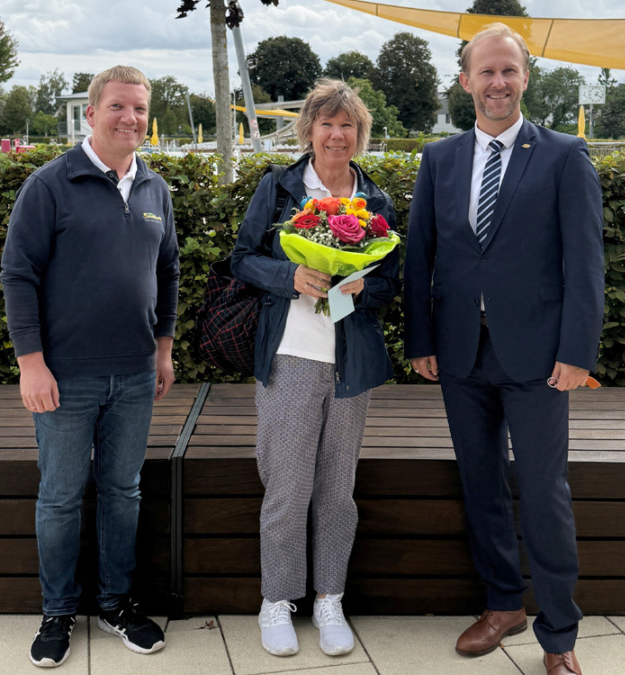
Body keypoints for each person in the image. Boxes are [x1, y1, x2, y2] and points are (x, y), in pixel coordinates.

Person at [403, 24, 605, 675]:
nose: (498, 83)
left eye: (508, 71)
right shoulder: (439, 158)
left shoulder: (564, 155)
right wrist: (420, 338)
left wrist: (578, 351)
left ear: (525, 77)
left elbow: (585, 264)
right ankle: (501, 604)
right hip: (460, 352)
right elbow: (420, 256)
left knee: (544, 492)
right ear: (465, 81)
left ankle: (559, 637)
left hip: (540, 358)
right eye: (486, 72)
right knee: (480, 483)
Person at [0, 65, 179, 668]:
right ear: (93, 112)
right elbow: (18, 275)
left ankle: (115, 604)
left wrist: (163, 350)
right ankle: (57, 610)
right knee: (60, 496)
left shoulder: (155, 189)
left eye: (140, 108)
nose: (130, 118)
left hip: (135, 374)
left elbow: (167, 273)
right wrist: (31, 364)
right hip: (65, 376)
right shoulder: (50, 184)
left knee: (123, 492)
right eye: (118, 106)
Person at [230, 78, 400, 659]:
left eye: (347, 124)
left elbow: (391, 283)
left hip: (348, 363)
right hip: (291, 356)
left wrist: (364, 287)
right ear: (309, 129)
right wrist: (290, 276)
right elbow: (242, 258)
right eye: (327, 123)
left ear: (360, 134)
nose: (336, 134)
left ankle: (330, 597)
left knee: (337, 490)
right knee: (287, 485)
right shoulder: (280, 188)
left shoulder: (375, 201)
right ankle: (276, 599)